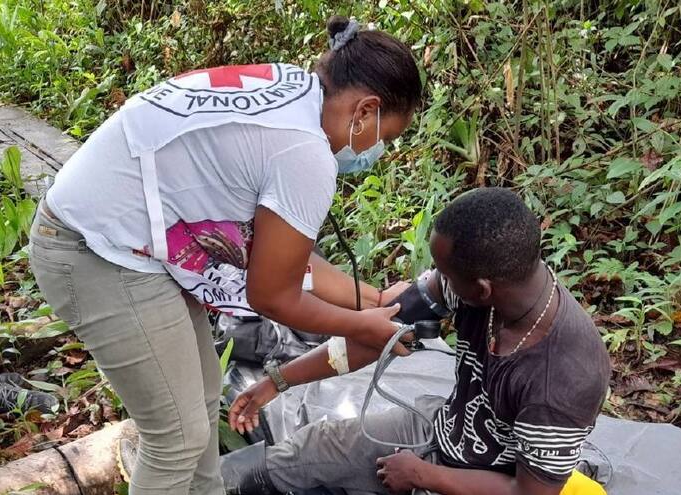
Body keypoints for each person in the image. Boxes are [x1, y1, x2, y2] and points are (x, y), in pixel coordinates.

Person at [29, 16, 421, 495]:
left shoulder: (292, 93)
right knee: (175, 438)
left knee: (202, 398)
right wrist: (363, 324)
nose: (377, 149)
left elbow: (288, 261)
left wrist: (374, 297)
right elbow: (272, 294)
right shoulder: (303, 152)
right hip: (96, 250)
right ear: (365, 110)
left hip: (124, 236)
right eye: (385, 136)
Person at [229, 188, 612, 495]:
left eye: (442, 271)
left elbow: (529, 492)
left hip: (491, 478)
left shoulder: (563, 379)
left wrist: (425, 476)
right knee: (312, 449)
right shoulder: (478, 282)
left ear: (481, 289)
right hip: (441, 430)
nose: (432, 279)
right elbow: (379, 332)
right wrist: (277, 382)